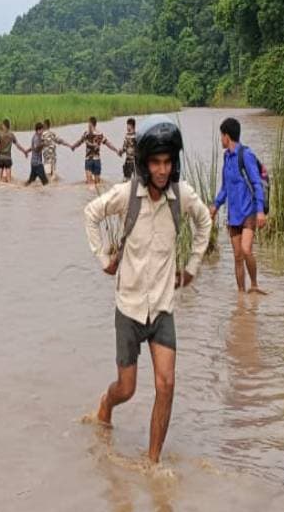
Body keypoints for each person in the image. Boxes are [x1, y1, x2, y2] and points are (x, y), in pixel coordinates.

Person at [83, 116, 211, 464]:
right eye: (155, 162)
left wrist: (192, 268)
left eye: (168, 162)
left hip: (162, 308)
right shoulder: (128, 195)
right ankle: (106, 404)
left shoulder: (181, 196)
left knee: (166, 384)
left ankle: (152, 462)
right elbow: (91, 213)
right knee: (127, 388)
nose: (162, 170)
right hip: (128, 307)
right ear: (144, 163)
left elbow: (204, 222)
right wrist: (103, 259)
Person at [211, 117, 267, 296]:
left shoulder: (246, 155)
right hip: (233, 214)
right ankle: (241, 295)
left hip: (249, 211)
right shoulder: (227, 158)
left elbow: (257, 183)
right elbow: (225, 188)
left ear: (227, 136)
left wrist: (260, 211)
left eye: (221, 136)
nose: (221, 139)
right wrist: (215, 206)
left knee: (245, 249)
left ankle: (254, 284)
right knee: (237, 256)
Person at [72, 117, 121, 191]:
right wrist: (73, 146)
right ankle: (94, 195)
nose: (88, 125)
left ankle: (93, 195)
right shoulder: (93, 134)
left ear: (91, 124)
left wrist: (73, 146)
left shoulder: (92, 134)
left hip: (92, 160)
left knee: (93, 183)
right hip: (93, 160)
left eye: (88, 123)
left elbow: (80, 142)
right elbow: (108, 144)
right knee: (94, 183)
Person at [25, 122, 49, 186]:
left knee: (30, 182)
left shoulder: (37, 137)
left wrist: (27, 151)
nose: (43, 131)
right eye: (42, 130)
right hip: (37, 164)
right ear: (38, 130)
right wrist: (43, 144)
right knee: (46, 183)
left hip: (33, 163)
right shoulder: (36, 138)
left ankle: (21, 188)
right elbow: (36, 148)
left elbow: (33, 147)